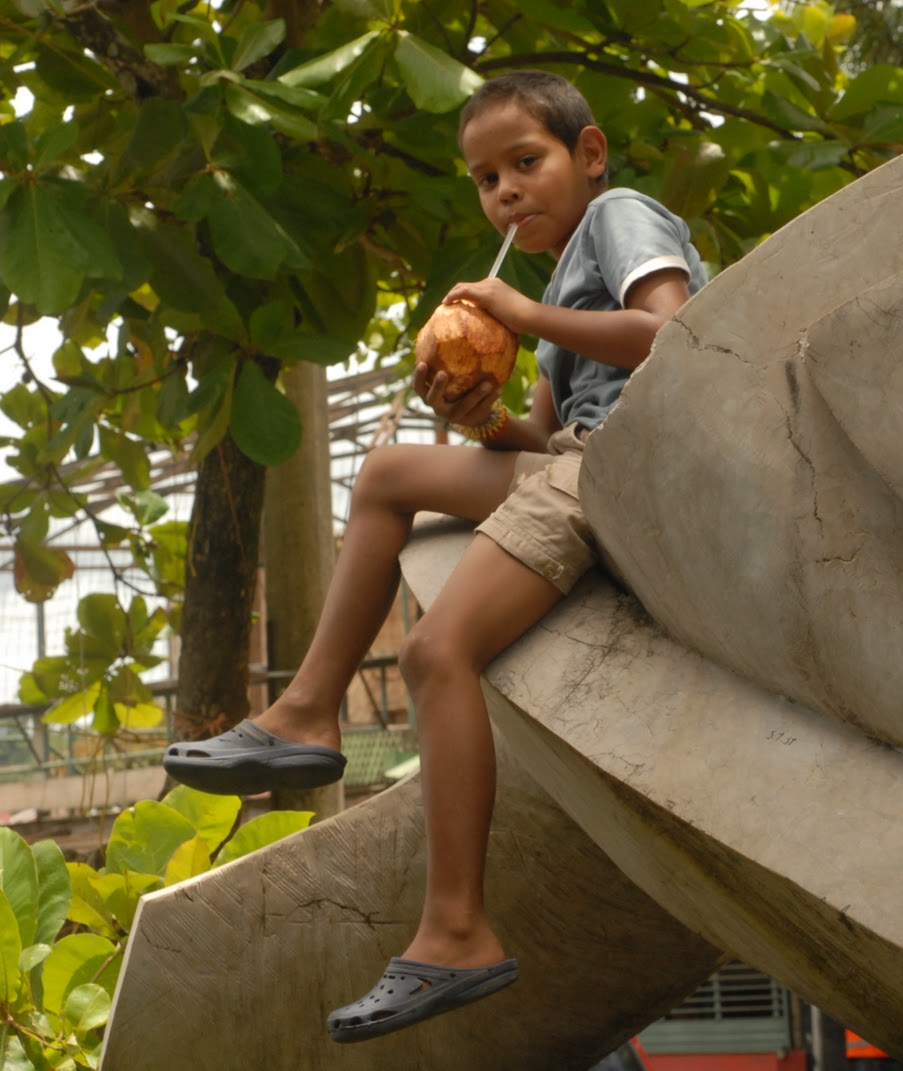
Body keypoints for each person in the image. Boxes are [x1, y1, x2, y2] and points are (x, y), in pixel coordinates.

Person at [163, 69, 707, 1043]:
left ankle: (457, 930)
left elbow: (678, 340)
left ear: (588, 157)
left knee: (435, 653)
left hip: (631, 469)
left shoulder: (619, 219)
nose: (504, 192)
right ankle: (305, 714)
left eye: (525, 163)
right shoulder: (550, 300)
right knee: (387, 474)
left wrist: (525, 315)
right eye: (484, 178)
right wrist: (475, 414)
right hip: (573, 466)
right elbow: (539, 446)